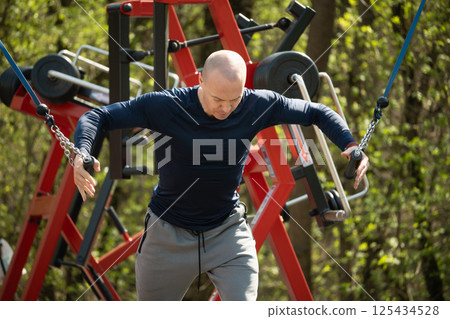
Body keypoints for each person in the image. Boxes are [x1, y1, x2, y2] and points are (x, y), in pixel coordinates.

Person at [73, 50, 369, 301]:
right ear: (200, 79)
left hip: (227, 232)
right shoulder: (167, 105)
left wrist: (350, 145)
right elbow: (98, 117)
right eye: (218, 100)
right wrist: (81, 154)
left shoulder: (257, 104)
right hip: (168, 234)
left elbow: (316, 112)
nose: (226, 108)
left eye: (234, 100)